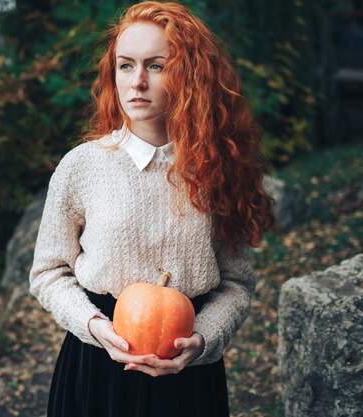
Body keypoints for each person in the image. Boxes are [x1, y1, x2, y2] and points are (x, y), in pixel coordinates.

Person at [29, 1, 275, 416]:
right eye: (126, 66)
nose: (137, 82)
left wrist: (202, 341)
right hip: (98, 365)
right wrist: (94, 327)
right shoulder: (82, 166)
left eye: (156, 66)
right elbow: (48, 273)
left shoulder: (216, 169)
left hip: (187, 369)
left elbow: (236, 284)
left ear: (189, 75)